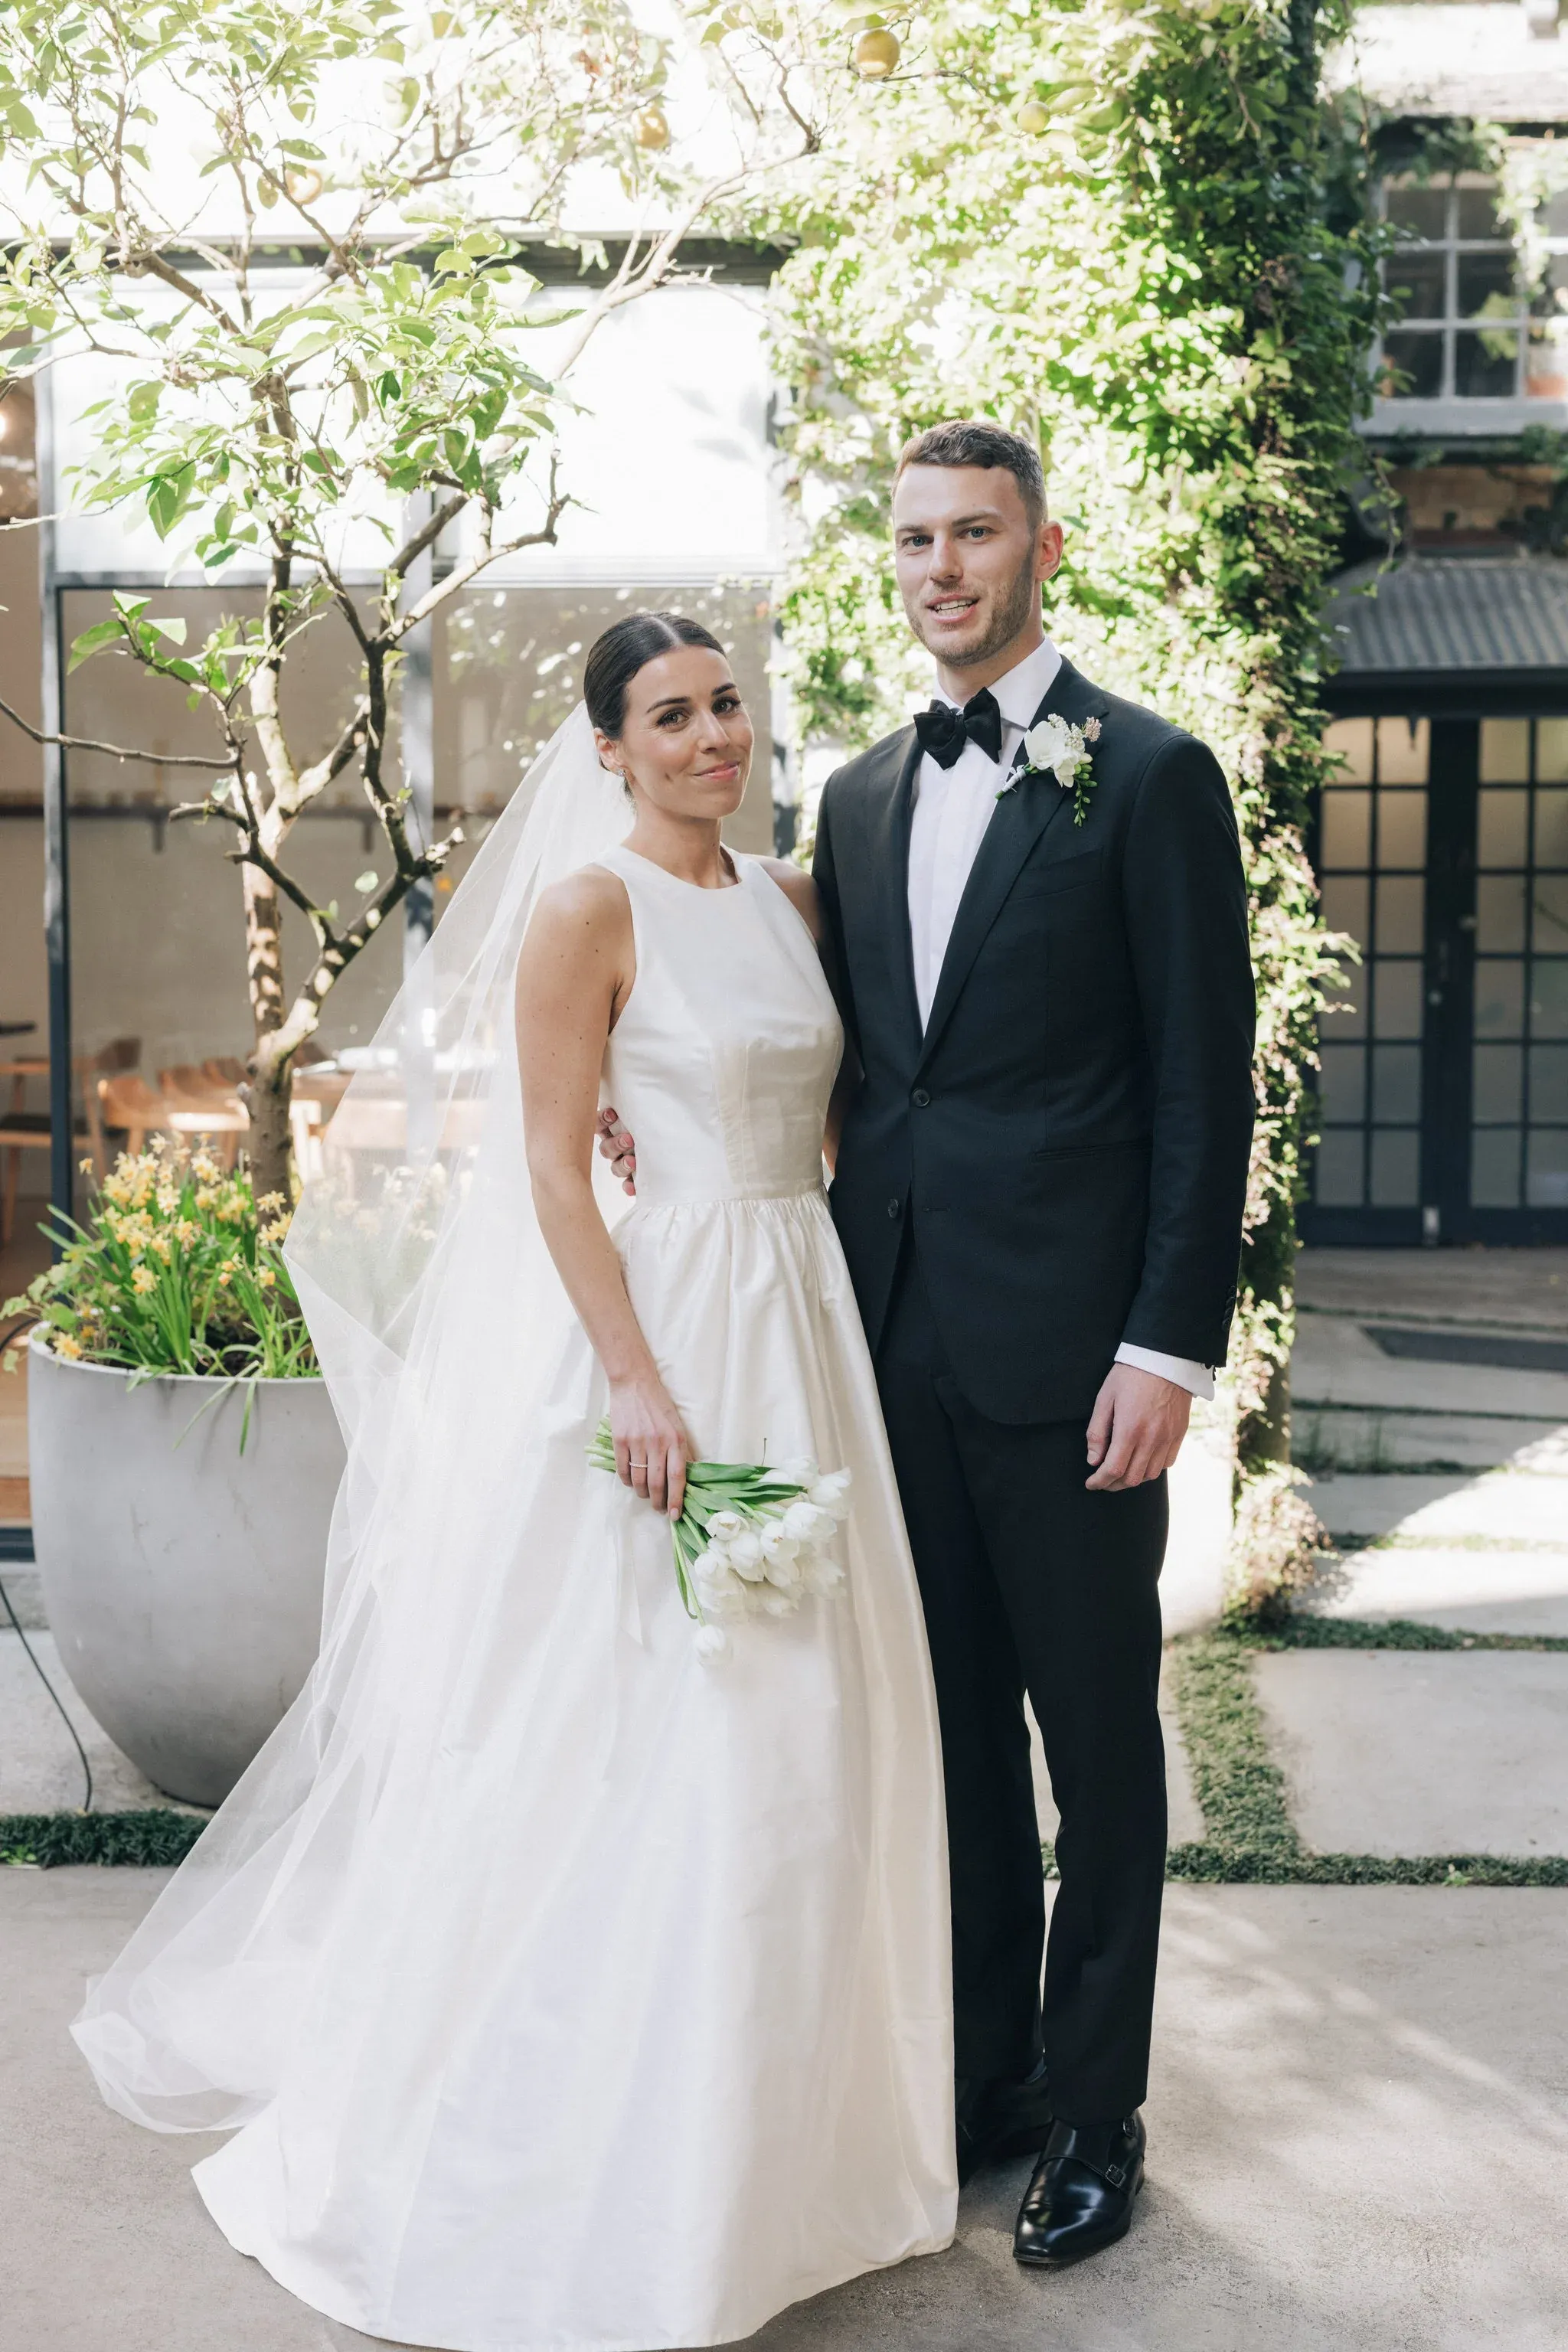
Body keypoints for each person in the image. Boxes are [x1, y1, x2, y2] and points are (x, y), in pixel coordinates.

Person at [72, 612, 957, 2351]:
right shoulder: (586, 909)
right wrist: (635, 1377)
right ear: (607, 753)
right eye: (669, 718)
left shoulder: (785, 901)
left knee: (803, 1735)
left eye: (725, 706)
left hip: (806, 1316)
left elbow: (844, 1121)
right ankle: (607, 2150)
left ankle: (798, 2147)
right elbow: (554, 1170)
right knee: (645, 1729)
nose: (714, 737)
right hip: (671, 1336)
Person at [606, 420, 1256, 2271]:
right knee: (950, 1743)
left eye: (973, 534)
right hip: (886, 1351)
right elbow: (802, 1044)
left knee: (1096, 1753)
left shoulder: (1148, 779)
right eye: (912, 541)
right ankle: (981, 2084)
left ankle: (1096, 2119)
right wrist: (636, 1113)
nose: (940, 569)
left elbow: (1203, 1093)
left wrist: (1167, 1347)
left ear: (1040, 546)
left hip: (1077, 1371)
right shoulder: (858, 801)